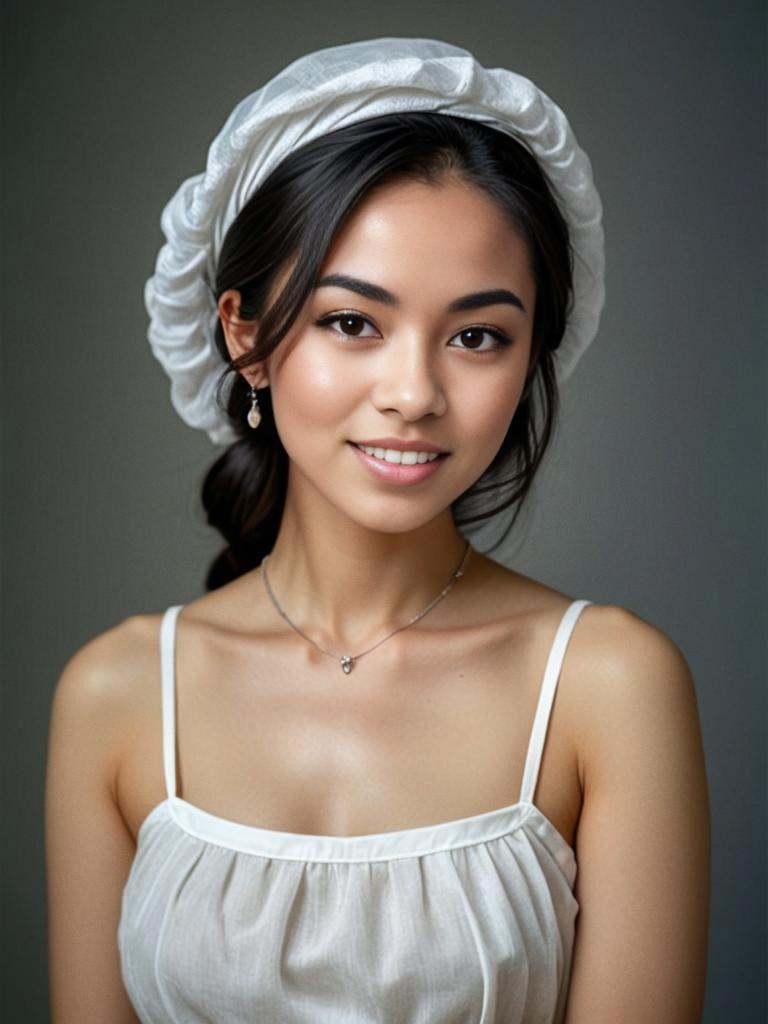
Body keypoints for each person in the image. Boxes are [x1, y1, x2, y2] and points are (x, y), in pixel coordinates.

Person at [44, 37, 710, 1023]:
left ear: (532, 355)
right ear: (245, 334)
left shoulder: (609, 684)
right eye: (352, 321)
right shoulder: (117, 693)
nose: (414, 394)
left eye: (477, 335)